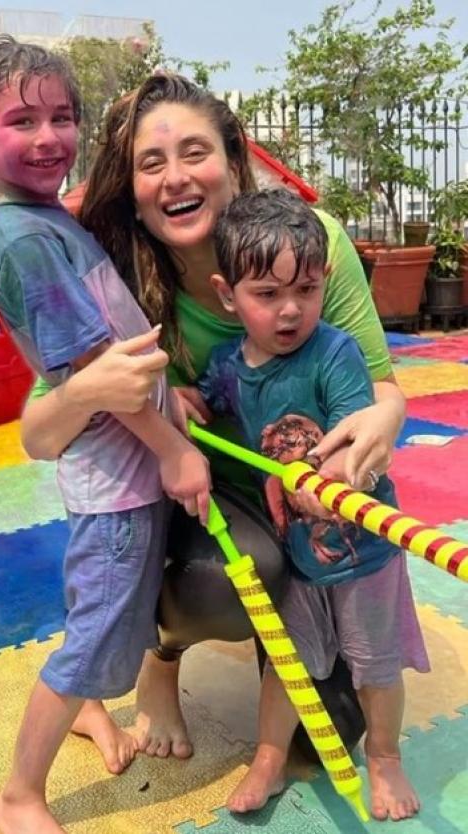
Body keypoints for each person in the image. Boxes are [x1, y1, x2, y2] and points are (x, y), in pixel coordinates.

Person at [20, 74, 407, 766]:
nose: (175, 177)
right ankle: (161, 659)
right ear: (132, 190)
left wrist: (383, 425)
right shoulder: (115, 283)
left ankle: (285, 634)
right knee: (230, 577)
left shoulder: (309, 246)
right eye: (151, 163)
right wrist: (97, 390)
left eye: (194, 152)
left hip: (306, 504)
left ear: (234, 160)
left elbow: (383, 390)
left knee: (321, 746)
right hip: (196, 498)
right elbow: (38, 436)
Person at [0, 38, 212, 834]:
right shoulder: (26, 238)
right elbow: (97, 370)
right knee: (99, 627)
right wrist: (173, 448)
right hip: (117, 475)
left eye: (62, 117)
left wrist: (172, 402)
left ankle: (88, 710)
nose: (48, 138)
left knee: (107, 612)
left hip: (127, 456)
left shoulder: (46, 222)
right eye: (21, 121)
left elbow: (115, 340)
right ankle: (19, 795)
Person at [192, 189, 429, 821]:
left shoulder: (336, 353)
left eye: (307, 289)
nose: (291, 308)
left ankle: (385, 757)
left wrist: (329, 476)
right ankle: (269, 757)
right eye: (267, 294)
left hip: (364, 556)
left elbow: (355, 436)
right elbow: (208, 404)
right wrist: (186, 403)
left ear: (325, 280)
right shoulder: (227, 367)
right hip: (296, 556)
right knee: (286, 664)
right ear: (227, 295)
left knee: (375, 668)